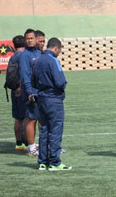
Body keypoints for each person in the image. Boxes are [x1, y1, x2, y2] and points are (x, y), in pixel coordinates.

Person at [33, 38, 71, 171]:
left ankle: (42, 162)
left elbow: (33, 81)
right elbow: (60, 81)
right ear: (57, 48)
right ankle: (55, 162)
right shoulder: (53, 60)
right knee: (55, 130)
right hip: (53, 98)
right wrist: (64, 83)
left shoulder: (37, 60)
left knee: (44, 130)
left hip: (41, 97)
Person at [19, 29, 41, 157]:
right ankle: (31, 147)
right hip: (31, 92)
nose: (30, 40)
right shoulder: (24, 55)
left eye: (32, 38)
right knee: (31, 119)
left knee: (41, 119)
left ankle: (41, 145)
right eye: (27, 38)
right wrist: (29, 92)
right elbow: (24, 76)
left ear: (36, 39)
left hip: (41, 92)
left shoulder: (39, 53)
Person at [6, 35, 27, 151]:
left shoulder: (12, 57)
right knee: (26, 117)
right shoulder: (23, 56)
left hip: (13, 89)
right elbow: (24, 73)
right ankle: (27, 142)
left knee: (17, 118)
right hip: (22, 89)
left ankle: (18, 143)